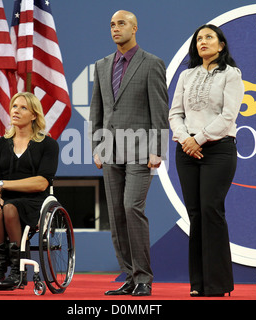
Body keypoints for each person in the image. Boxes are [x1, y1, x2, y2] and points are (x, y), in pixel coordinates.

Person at [89, 10, 169, 296]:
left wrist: (158, 149)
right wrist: (96, 147)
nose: (115, 28)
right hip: (109, 151)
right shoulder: (101, 65)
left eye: (121, 23)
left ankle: (144, 277)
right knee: (116, 214)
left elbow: (160, 111)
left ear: (135, 27)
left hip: (140, 150)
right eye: (111, 24)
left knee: (131, 208)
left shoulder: (152, 64)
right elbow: (96, 110)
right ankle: (130, 276)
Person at [169, 24, 244, 297]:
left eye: (209, 37)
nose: (203, 42)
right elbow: (174, 114)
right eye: (199, 39)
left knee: (211, 210)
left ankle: (218, 284)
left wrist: (197, 138)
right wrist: (184, 139)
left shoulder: (232, 75)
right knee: (195, 215)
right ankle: (198, 284)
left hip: (218, 150)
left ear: (221, 45)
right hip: (187, 152)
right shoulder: (186, 76)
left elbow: (228, 117)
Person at [0, 92, 59, 289]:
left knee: (8, 209)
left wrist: (2, 185)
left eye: (23, 108)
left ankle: (18, 271)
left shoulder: (47, 145)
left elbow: (42, 182)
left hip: (34, 202)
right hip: (6, 200)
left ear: (34, 115)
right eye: (14, 106)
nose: (16, 111)